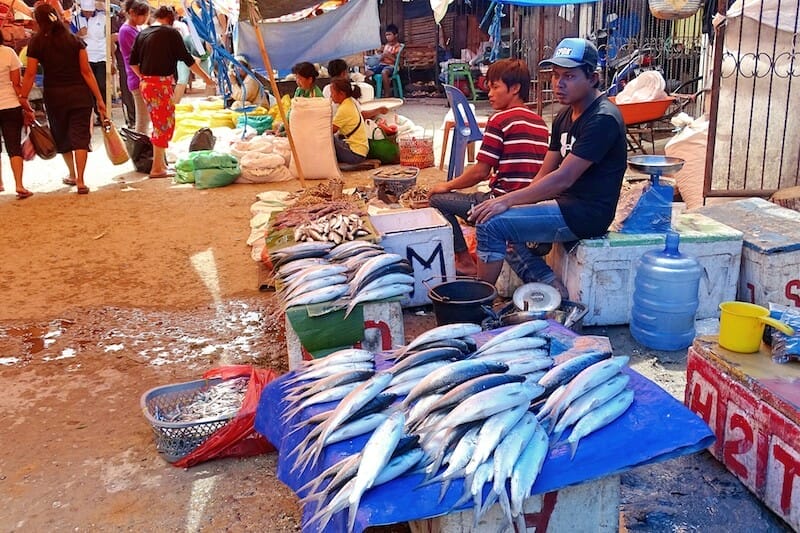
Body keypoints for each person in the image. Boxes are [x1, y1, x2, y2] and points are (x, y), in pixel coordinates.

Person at [468, 38, 627, 294]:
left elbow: (563, 178)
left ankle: (476, 301)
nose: (558, 83)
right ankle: (551, 287)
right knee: (496, 216)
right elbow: (546, 169)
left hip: (586, 214)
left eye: (569, 76)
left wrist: (507, 201)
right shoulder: (565, 113)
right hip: (562, 205)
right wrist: (518, 202)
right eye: (554, 75)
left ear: (593, 78)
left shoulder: (603, 119)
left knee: (491, 224)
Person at [428, 59, 549, 278]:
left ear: (514, 89)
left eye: (495, 87)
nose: (489, 93)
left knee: (437, 200)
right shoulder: (539, 122)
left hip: (501, 202)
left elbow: (480, 172)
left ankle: (464, 261)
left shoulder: (500, 119)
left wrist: (445, 186)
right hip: (532, 203)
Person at [20, 3, 107, 195]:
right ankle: (82, 180)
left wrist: (23, 97)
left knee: (63, 135)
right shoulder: (74, 40)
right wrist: (99, 99)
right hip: (80, 95)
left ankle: (72, 174)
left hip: (55, 96)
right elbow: (87, 72)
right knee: (80, 136)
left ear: (38, 21)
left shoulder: (36, 42)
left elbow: (31, 74)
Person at [128, 5, 215, 178]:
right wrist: (206, 78)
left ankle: (159, 165)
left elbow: (132, 63)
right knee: (163, 125)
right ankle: (157, 168)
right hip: (160, 86)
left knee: (158, 123)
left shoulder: (142, 34)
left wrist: (145, 78)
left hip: (146, 85)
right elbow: (188, 60)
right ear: (171, 20)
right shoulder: (171, 34)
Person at [0, 34, 34, 199]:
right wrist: (26, 107)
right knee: (13, 147)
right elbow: (16, 83)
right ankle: (19, 185)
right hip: (10, 105)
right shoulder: (8, 53)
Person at [71, 0, 112, 126]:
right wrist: (78, 34)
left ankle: (103, 114)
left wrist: (112, 59)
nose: (89, 14)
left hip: (101, 57)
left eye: (91, 11)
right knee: (88, 89)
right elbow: (70, 39)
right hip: (85, 58)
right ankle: (93, 114)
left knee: (101, 86)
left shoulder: (104, 18)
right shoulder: (74, 20)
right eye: (86, 12)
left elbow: (109, 37)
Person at [117, 0, 150, 133]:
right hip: (137, 78)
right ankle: (140, 150)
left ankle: (143, 147)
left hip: (140, 77)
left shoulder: (134, 29)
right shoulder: (126, 30)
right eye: (144, 15)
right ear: (132, 13)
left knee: (145, 118)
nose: (146, 19)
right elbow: (133, 58)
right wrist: (142, 76)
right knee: (142, 119)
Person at [329, 78, 368, 165]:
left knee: (328, 138)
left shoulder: (344, 108)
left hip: (355, 154)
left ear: (342, 94)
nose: (331, 96)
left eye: (332, 93)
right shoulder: (350, 102)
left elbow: (330, 131)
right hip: (360, 150)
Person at [365, 23, 402, 98]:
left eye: (389, 34)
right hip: (382, 65)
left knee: (384, 72)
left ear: (395, 35)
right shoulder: (386, 46)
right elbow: (382, 58)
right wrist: (379, 56)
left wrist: (388, 55)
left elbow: (397, 62)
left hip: (391, 66)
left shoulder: (398, 47)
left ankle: (387, 94)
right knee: (367, 73)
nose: (387, 37)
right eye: (386, 35)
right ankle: (373, 92)